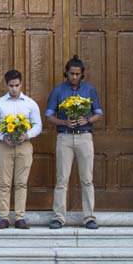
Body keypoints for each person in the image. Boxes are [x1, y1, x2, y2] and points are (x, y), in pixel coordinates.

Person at [46, 56, 103, 230]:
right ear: (67, 73)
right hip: (65, 137)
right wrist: (64, 122)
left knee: (87, 179)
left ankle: (89, 217)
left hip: (84, 136)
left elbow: (98, 112)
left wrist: (87, 120)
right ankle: (58, 217)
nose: (74, 77)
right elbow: (49, 115)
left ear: (82, 73)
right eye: (71, 74)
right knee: (62, 179)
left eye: (77, 74)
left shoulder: (90, 90)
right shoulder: (58, 91)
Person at [0, 70, 42, 230]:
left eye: (17, 85)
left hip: (24, 146)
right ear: (6, 85)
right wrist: (1, 136)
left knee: (21, 183)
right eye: (11, 86)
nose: (14, 89)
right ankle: (4, 218)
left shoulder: (30, 103)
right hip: (4, 145)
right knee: (4, 182)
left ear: (21, 84)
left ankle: (20, 217)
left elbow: (38, 125)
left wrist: (27, 134)